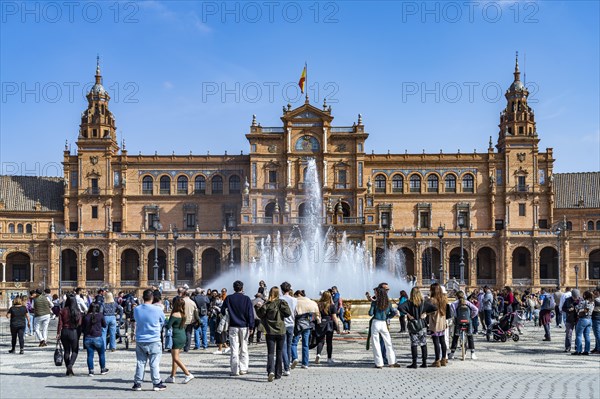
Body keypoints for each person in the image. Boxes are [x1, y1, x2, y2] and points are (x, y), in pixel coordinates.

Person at [132, 289, 167, 392]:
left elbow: (136, 320)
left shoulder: (137, 309)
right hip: (154, 339)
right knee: (154, 363)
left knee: (140, 362)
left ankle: (137, 383)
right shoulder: (158, 309)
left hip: (140, 339)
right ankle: (156, 383)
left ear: (143, 297)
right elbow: (163, 320)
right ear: (152, 298)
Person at [256, 286, 292, 382]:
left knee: (270, 353)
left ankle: (270, 371)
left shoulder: (267, 304)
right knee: (279, 352)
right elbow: (288, 313)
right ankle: (278, 373)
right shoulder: (281, 302)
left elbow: (260, 314)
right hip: (281, 331)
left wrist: (257, 306)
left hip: (269, 331)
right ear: (278, 293)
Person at [221, 280, 255, 376]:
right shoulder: (247, 299)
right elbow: (250, 314)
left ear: (233, 288)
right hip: (244, 326)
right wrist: (251, 326)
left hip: (233, 326)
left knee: (234, 348)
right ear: (242, 288)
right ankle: (243, 369)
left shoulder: (229, 298)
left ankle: (235, 370)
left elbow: (222, 311)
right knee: (244, 347)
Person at [398, 287, 437, 368]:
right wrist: (426, 313)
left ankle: (414, 363)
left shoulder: (408, 302)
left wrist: (408, 314)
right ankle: (424, 362)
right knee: (423, 343)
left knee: (414, 344)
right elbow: (435, 308)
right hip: (422, 325)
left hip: (413, 325)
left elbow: (400, 307)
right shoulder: (423, 302)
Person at [165, 298, 195, 384]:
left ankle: (187, 374)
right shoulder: (183, 314)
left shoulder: (174, 314)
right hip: (182, 336)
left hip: (176, 336)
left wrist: (166, 321)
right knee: (175, 357)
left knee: (175, 358)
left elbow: (168, 326)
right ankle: (172, 376)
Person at [368, 286, 399, 368]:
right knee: (388, 343)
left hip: (376, 322)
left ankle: (379, 363)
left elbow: (370, 313)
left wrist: (372, 306)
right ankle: (392, 362)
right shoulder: (388, 303)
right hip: (384, 323)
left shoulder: (375, 302)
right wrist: (388, 317)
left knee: (376, 343)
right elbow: (393, 312)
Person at [291, 290, 320, 369]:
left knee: (293, 343)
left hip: (298, 324)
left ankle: (294, 358)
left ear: (298, 294)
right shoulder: (310, 301)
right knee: (305, 344)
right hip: (307, 324)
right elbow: (316, 312)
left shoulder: (295, 301)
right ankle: (305, 363)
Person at [448, 290, 478, 360]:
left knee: (455, 336)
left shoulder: (454, 304)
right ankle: (472, 353)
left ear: (456, 296)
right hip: (468, 321)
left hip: (458, 321)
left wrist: (455, 317)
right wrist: (471, 316)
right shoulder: (467, 302)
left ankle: (452, 353)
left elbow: (453, 313)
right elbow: (476, 309)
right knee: (470, 335)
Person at [56, 294, 82, 375]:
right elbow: (79, 323)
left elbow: (60, 323)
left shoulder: (63, 310)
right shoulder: (77, 311)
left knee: (66, 351)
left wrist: (58, 333)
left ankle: (68, 368)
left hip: (64, 331)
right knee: (75, 351)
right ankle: (70, 365)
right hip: (73, 331)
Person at [314, 290, 341, 365]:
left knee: (320, 341)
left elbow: (315, 315)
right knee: (329, 342)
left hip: (321, 324)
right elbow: (334, 317)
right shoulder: (332, 306)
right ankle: (329, 358)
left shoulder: (318, 305)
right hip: (329, 324)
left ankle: (318, 354)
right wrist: (338, 327)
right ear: (330, 297)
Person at [82, 303, 108, 376]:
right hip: (97, 337)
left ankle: (91, 370)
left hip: (88, 338)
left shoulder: (86, 316)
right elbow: (104, 325)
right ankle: (103, 369)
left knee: (90, 355)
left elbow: (82, 327)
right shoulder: (100, 315)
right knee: (101, 354)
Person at [428, 283, 449, 367]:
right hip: (442, 322)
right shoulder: (444, 299)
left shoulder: (432, 300)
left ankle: (437, 360)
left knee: (436, 342)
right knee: (442, 341)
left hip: (435, 322)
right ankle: (443, 359)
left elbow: (429, 311)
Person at [279, 281, 297, 376]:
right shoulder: (294, 300)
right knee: (289, 346)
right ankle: (288, 364)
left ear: (281, 290)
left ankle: (286, 368)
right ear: (289, 289)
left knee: (283, 347)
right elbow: (295, 312)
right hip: (291, 324)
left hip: (282, 324)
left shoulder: (279, 299)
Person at [572, 291, 594, 356]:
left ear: (585, 296)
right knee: (587, 335)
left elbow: (577, 308)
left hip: (583, 319)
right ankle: (587, 350)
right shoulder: (592, 302)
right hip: (589, 319)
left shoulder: (583, 302)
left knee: (578, 335)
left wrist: (576, 308)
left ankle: (578, 350)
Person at [592, 288, 600, 354]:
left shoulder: (596, 300)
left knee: (597, 334)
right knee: (597, 333)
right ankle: (596, 347)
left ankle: (598, 348)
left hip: (596, 317)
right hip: (598, 317)